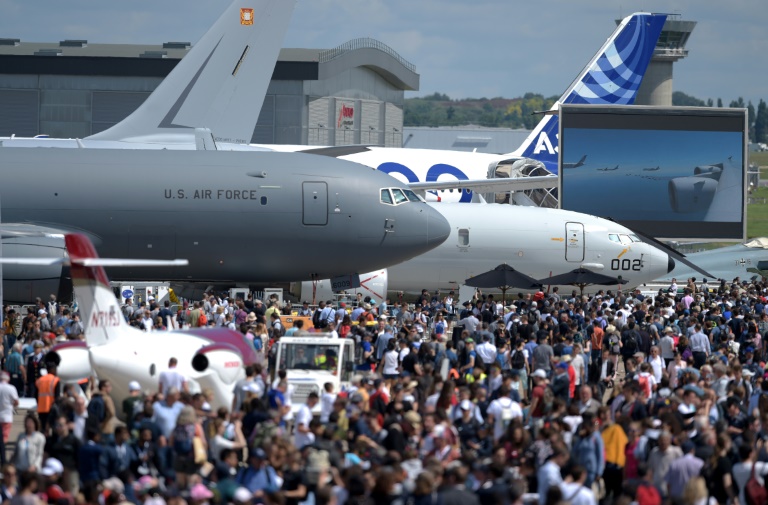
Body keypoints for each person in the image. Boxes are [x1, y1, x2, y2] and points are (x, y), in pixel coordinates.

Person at [0, 372, 18, 446]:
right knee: (5, 436)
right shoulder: (11, 388)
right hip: (7, 416)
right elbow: (16, 402)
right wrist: (12, 406)